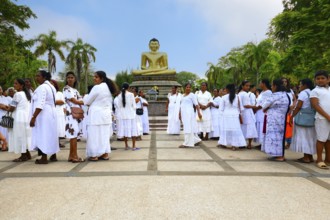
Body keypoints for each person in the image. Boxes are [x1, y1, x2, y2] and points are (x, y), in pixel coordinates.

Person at [83, 71, 117, 161]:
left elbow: (87, 101)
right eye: (94, 76)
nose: (94, 78)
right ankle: (105, 154)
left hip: (96, 115)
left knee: (94, 135)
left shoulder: (97, 87)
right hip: (106, 115)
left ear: (101, 78)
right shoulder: (109, 88)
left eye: (96, 77)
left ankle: (94, 155)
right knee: (104, 135)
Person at [30, 70, 59, 164]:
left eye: (38, 76)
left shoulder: (42, 87)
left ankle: (44, 157)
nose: (36, 78)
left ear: (44, 77)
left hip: (43, 114)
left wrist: (34, 117)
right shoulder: (51, 87)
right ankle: (53, 155)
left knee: (43, 134)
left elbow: (40, 103)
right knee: (51, 133)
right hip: (51, 112)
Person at [262, 79, 291, 162]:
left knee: (273, 136)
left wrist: (268, 107)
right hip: (282, 118)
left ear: (275, 86)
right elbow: (290, 106)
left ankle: (278, 156)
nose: (271, 87)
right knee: (280, 137)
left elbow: (264, 105)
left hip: (273, 119)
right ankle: (280, 154)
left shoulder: (274, 95)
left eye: (272, 85)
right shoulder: (286, 95)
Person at [290, 78, 316, 163]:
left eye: (300, 84)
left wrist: (292, 116)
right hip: (311, 118)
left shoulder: (303, 93)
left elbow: (298, 106)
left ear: (305, 85)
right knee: (310, 138)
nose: (299, 86)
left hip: (302, 118)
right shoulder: (312, 92)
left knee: (303, 137)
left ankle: (306, 157)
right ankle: (310, 156)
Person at [5, 79, 32, 161]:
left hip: (19, 117)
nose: (14, 85)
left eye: (16, 83)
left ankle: (23, 156)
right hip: (25, 117)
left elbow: (12, 107)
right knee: (24, 136)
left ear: (21, 85)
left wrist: (7, 108)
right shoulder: (26, 94)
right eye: (14, 83)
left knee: (20, 136)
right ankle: (27, 154)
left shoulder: (17, 94)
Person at [310, 70, 330, 169]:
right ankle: (319, 159)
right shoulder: (315, 91)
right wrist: (327, 116)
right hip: (322, 118)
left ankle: (328, 159)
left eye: (323, 78)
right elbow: (315, 105)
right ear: (315, 80)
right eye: (318, 79)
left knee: (329, 140)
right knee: (321, 139)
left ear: (328, 79)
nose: (320, 80)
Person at [63, 72, 84, 163]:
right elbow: (74, 100)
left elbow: (79, 99)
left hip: (75, 114)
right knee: (73, 135)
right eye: (68, 77)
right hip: (71, 114)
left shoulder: (75, 90)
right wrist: (84, 102)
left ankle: (71, 156)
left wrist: (82, 101)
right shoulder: (66, 89)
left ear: (75, 79)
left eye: (72, 77)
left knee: (74, 135)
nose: (70, 79)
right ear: (66, 79)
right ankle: (74, 156)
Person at [218, 84, 246, 150]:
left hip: (226, 114)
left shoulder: (224, 97)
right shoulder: (237, 97)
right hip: (235, 115)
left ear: (227, 89)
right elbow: (241, 108)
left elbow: (221, 109)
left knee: (226, 130)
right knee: (235, 129)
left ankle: (224, 143)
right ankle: (234, 145)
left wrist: (222, 115)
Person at [179, 83, 202, 148]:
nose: (188, 88)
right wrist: (180, 113)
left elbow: (196, 105)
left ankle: (186, 143)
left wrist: (199, 113)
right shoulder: (182, 95)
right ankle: (196, 140)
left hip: (189, 113)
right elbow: (181, 105)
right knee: (187, 127)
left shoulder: (192, 95)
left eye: (189, 87)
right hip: (184, 114)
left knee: (188, 128)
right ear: (184, 88)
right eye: (187, 87)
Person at [117, 82, 139, 150]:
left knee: (125, 130)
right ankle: (133, 146)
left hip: (123, 115)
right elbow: (134, 106)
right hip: (131, 115)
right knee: (133, 130)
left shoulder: (119, 95)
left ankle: (126, 146)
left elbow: (119, 106)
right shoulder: (131, 94)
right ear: (128, 88)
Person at [238, 80, 258, 149]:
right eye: (246, 86)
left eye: (249, 86)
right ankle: (249, 144)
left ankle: (242, 143)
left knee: (243, 128)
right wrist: (254, 106)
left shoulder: (239, 94)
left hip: (242, 113)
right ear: (242, 86)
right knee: (250, 128)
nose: (248, 87)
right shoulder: (245, 94)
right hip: (247, 112)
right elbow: (246, 105)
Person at [254, 79, 272, 149]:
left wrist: (255, 108)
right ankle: (260, 143)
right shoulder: (262, 92)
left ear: (264, 84)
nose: (259, 84)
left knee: (262, 127)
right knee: (259, 127)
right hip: (258, 112)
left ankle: (263, 143)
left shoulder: (268, 92)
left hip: (262, 112)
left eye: (260, 83)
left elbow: (264, 104)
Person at [50, 80, 66, 148]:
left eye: (52, 83)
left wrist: (51, 101)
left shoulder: (59, 93)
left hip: (58, 112)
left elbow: (62, 102)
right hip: (50, 112)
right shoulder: (48, 92)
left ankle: (58, 143)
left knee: (58, 127)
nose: (51, 85)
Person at [282, 77, 295, 149]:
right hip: (283, 111)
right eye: (283, 81)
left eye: (285, 81)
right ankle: (282, 142)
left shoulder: (290, 91)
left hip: (290, 111)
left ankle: (289, 143)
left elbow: (295, 99)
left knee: (289, 127)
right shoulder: (279, 91)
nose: (284, 83)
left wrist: (293, 106)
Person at [0, 85, 10, 151]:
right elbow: (2, 106)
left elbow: (9, 106)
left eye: (0, 88)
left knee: (5, 131)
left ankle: (4, 145)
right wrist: (6, 107)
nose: (0, 90)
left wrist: (6, 107)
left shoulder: (6, 98)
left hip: (5, 116)